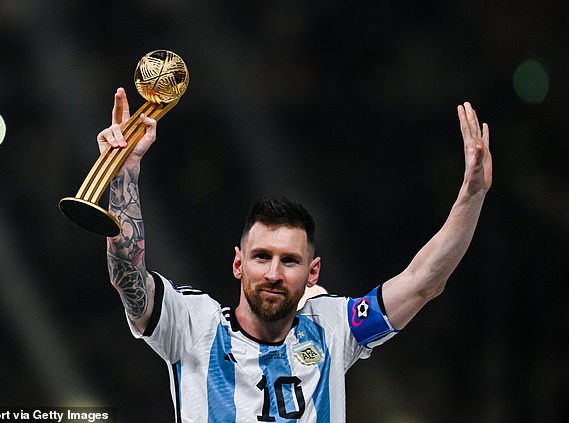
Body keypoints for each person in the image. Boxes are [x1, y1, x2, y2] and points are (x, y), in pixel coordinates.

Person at [98, 87, 492, 422]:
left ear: (313, 272)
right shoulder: (192, 326)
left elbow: (423, 282)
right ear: (238, 263)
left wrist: (472, 197)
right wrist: (124, 174)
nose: (273, 272)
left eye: (289, 261)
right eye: (261, 257)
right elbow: (127, 275)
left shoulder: (333, 328)